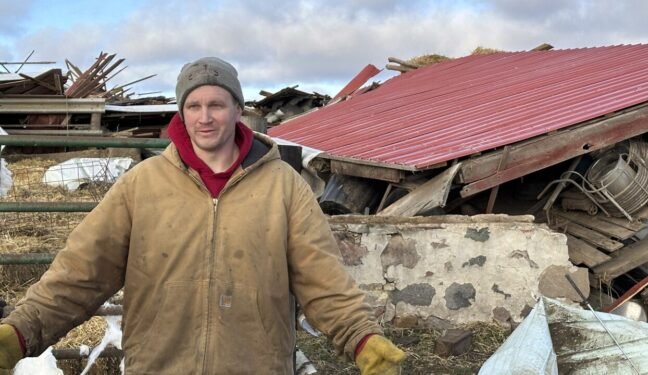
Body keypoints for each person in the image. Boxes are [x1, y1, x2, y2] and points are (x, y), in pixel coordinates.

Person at [0, 57, 405, 374]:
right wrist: (21, 330)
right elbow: (81, 272)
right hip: (159, 366)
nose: (205, 116)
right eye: (193, 105)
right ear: (181, 112)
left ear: (237, 109)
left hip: (255, 366)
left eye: (216, 104)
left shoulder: (283, 187)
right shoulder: (141, 185)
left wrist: (361, 338)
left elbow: (323, 280)